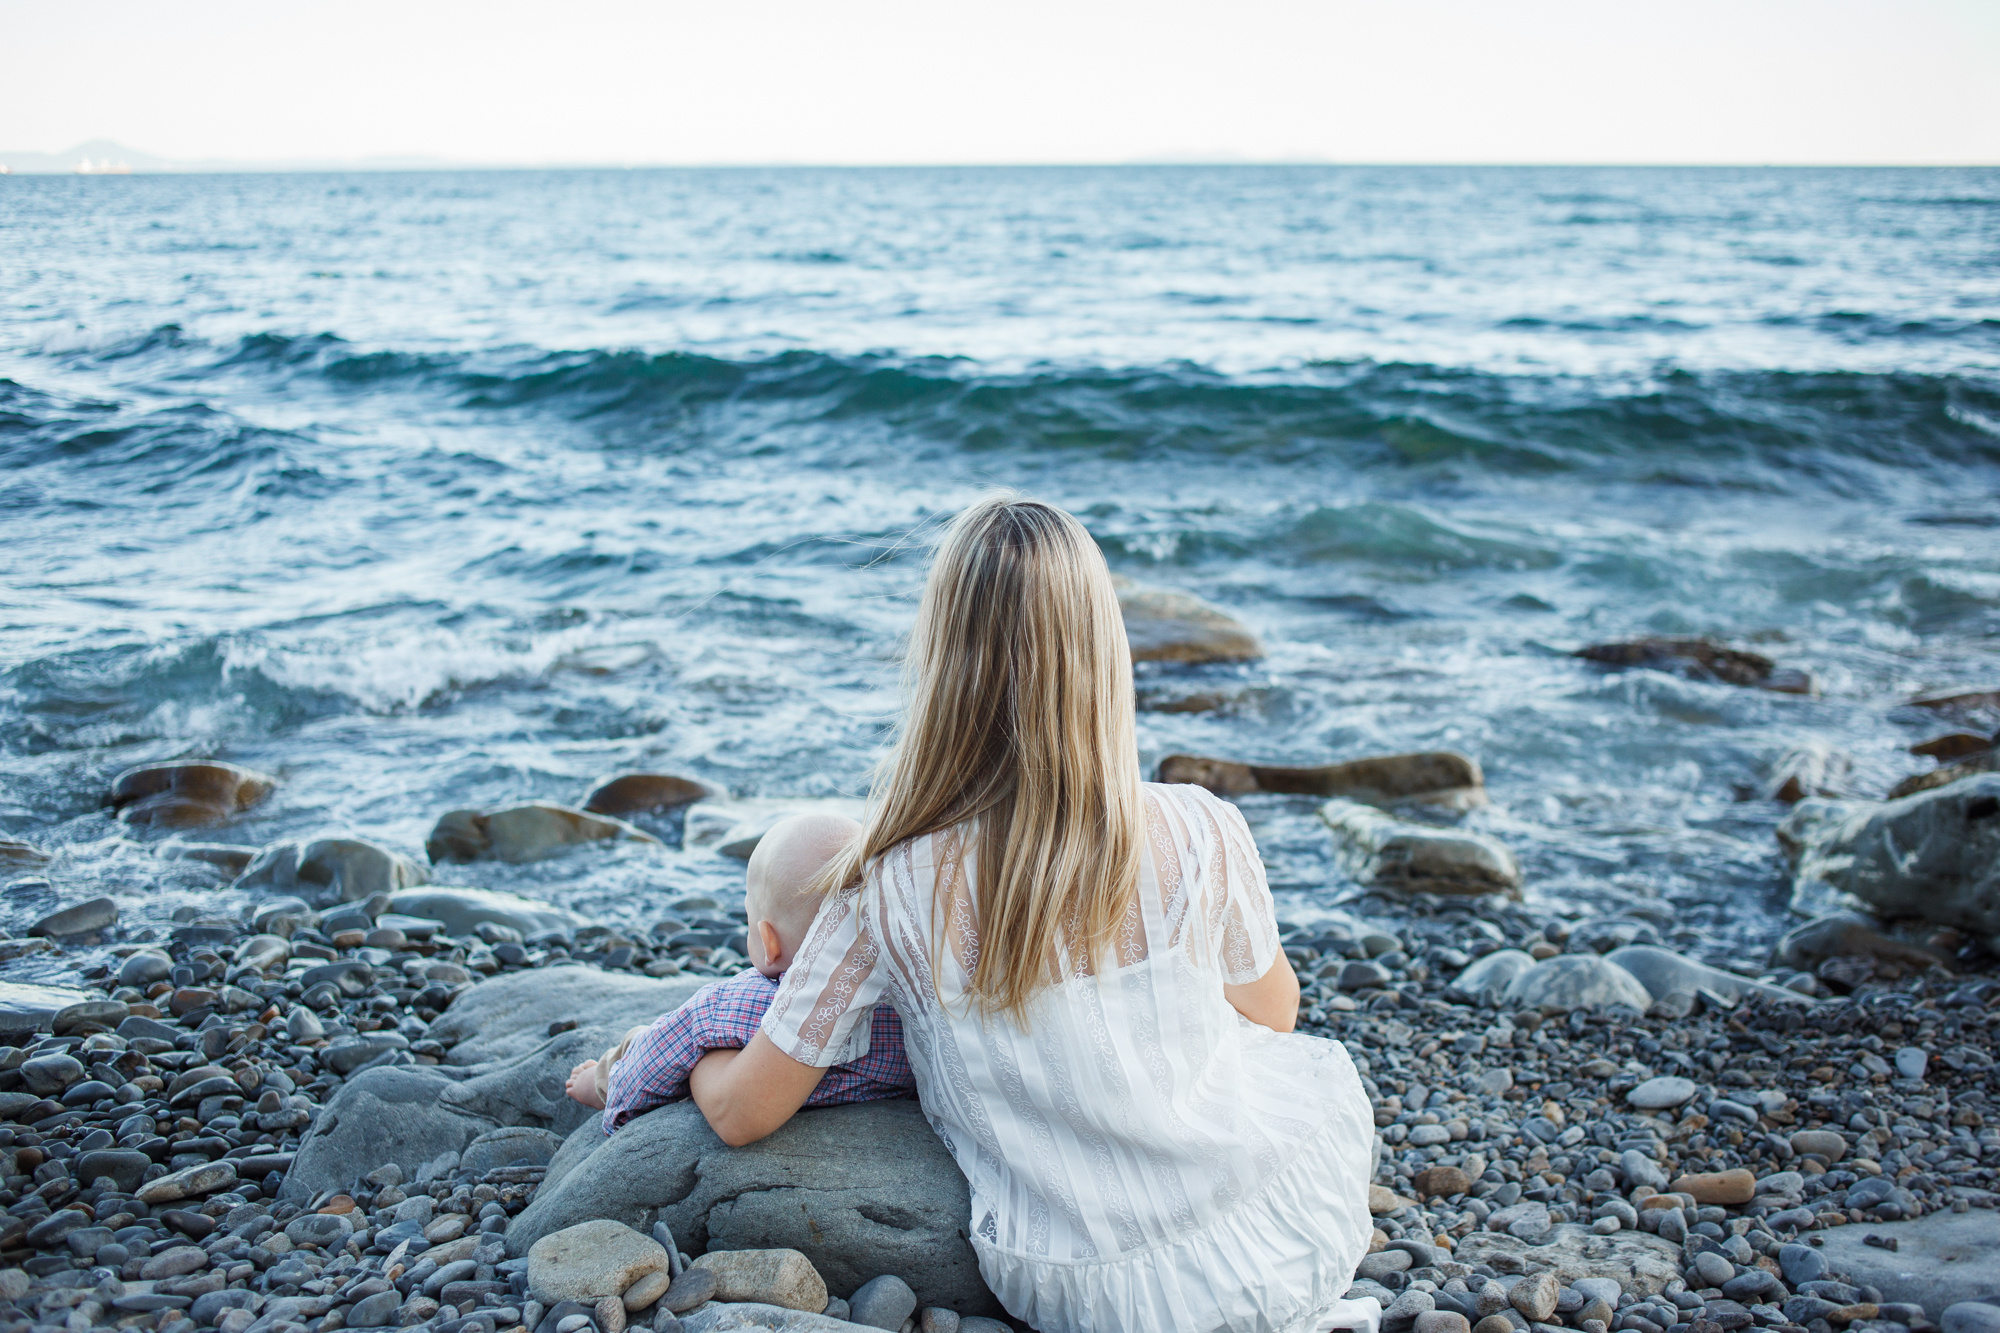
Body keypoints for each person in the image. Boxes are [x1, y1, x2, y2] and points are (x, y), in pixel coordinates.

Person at [685, 496, 1380, 1333]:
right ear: (1103, 653)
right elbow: (1274, 1010)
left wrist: (686, 1054)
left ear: (942, 664)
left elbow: (742, 1111)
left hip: (1085, 1283)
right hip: (1271, 1226)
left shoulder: (887, 886)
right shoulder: (1202, 827)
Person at [563, 813, 915, 1127]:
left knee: (652, 1038)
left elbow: (658, 1055)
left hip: (754, 1081)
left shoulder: (740, 1003)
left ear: (768, 941)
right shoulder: (912, 1006)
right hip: (862, 1102)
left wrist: (606, 1083)